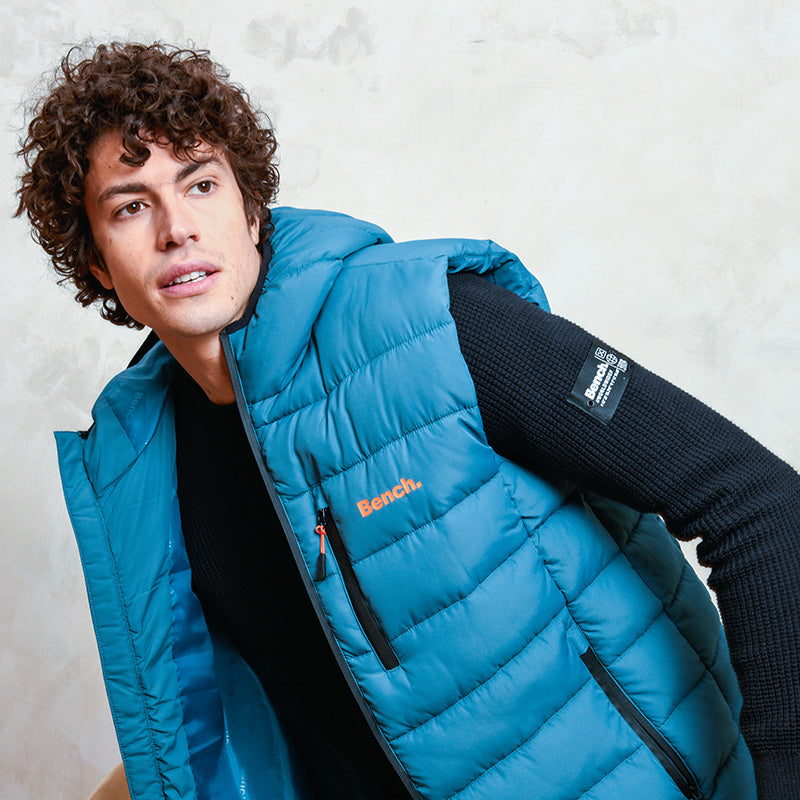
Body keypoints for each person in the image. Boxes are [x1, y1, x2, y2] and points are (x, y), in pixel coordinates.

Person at [16, 41, 799, 800]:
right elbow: (229, 719)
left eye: (201, 185)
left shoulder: (435, 324)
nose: (176, 227)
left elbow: (759, 504)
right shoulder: (137, 468)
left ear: (252, 211)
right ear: (97, 262)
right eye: (131, 206)